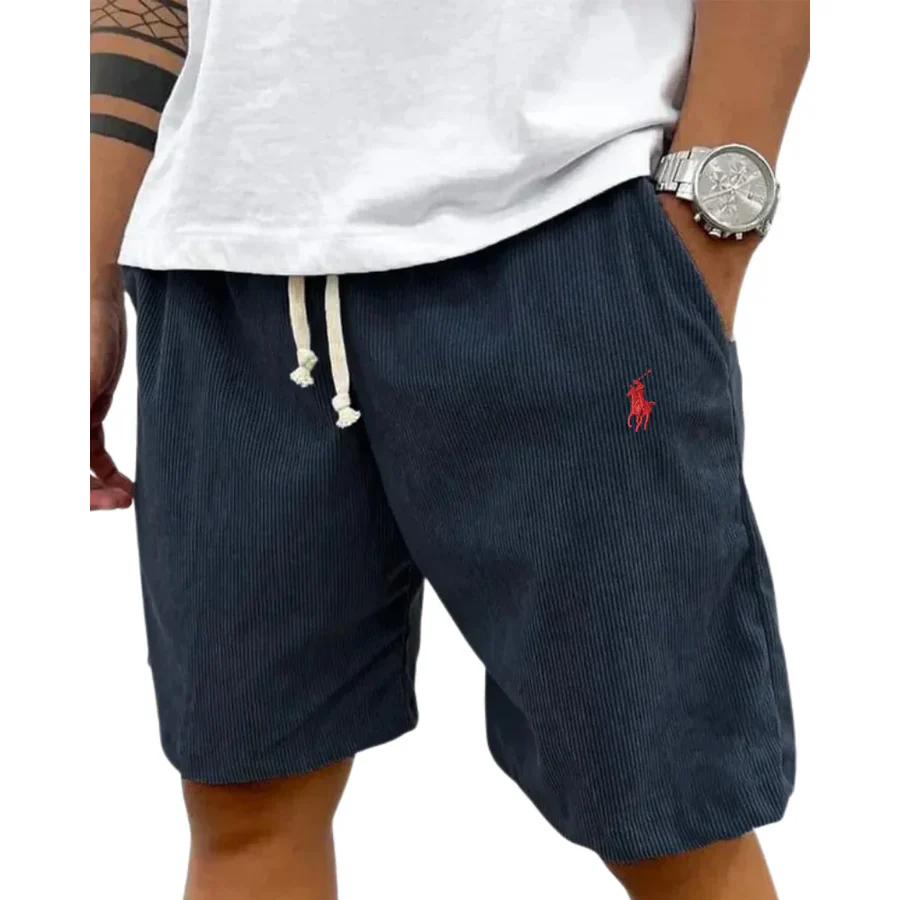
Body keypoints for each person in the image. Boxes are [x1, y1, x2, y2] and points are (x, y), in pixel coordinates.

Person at [90, 1, 809, 897]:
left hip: (559, 223)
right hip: (222, 270)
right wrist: (89, 278)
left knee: (675, 822)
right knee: (245, 803)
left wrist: (705, 236)